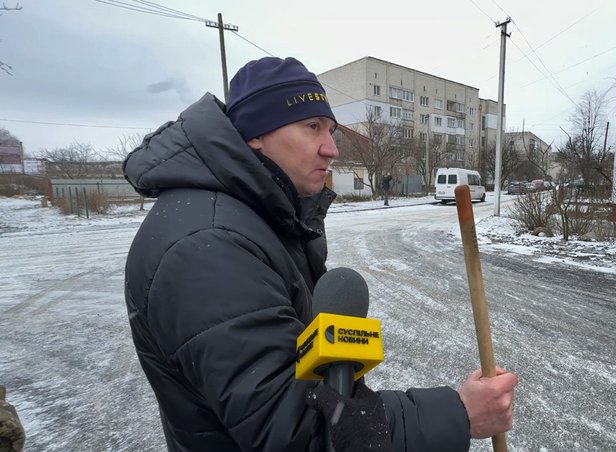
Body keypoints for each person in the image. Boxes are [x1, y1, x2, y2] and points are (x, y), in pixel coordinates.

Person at [123, 56, 518, 452]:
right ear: (256, 134)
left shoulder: (252, 219)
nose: (331, 148)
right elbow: (296, 433)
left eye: (329, 129)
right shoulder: (206, 246)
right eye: (312, 127)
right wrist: (458, 413)